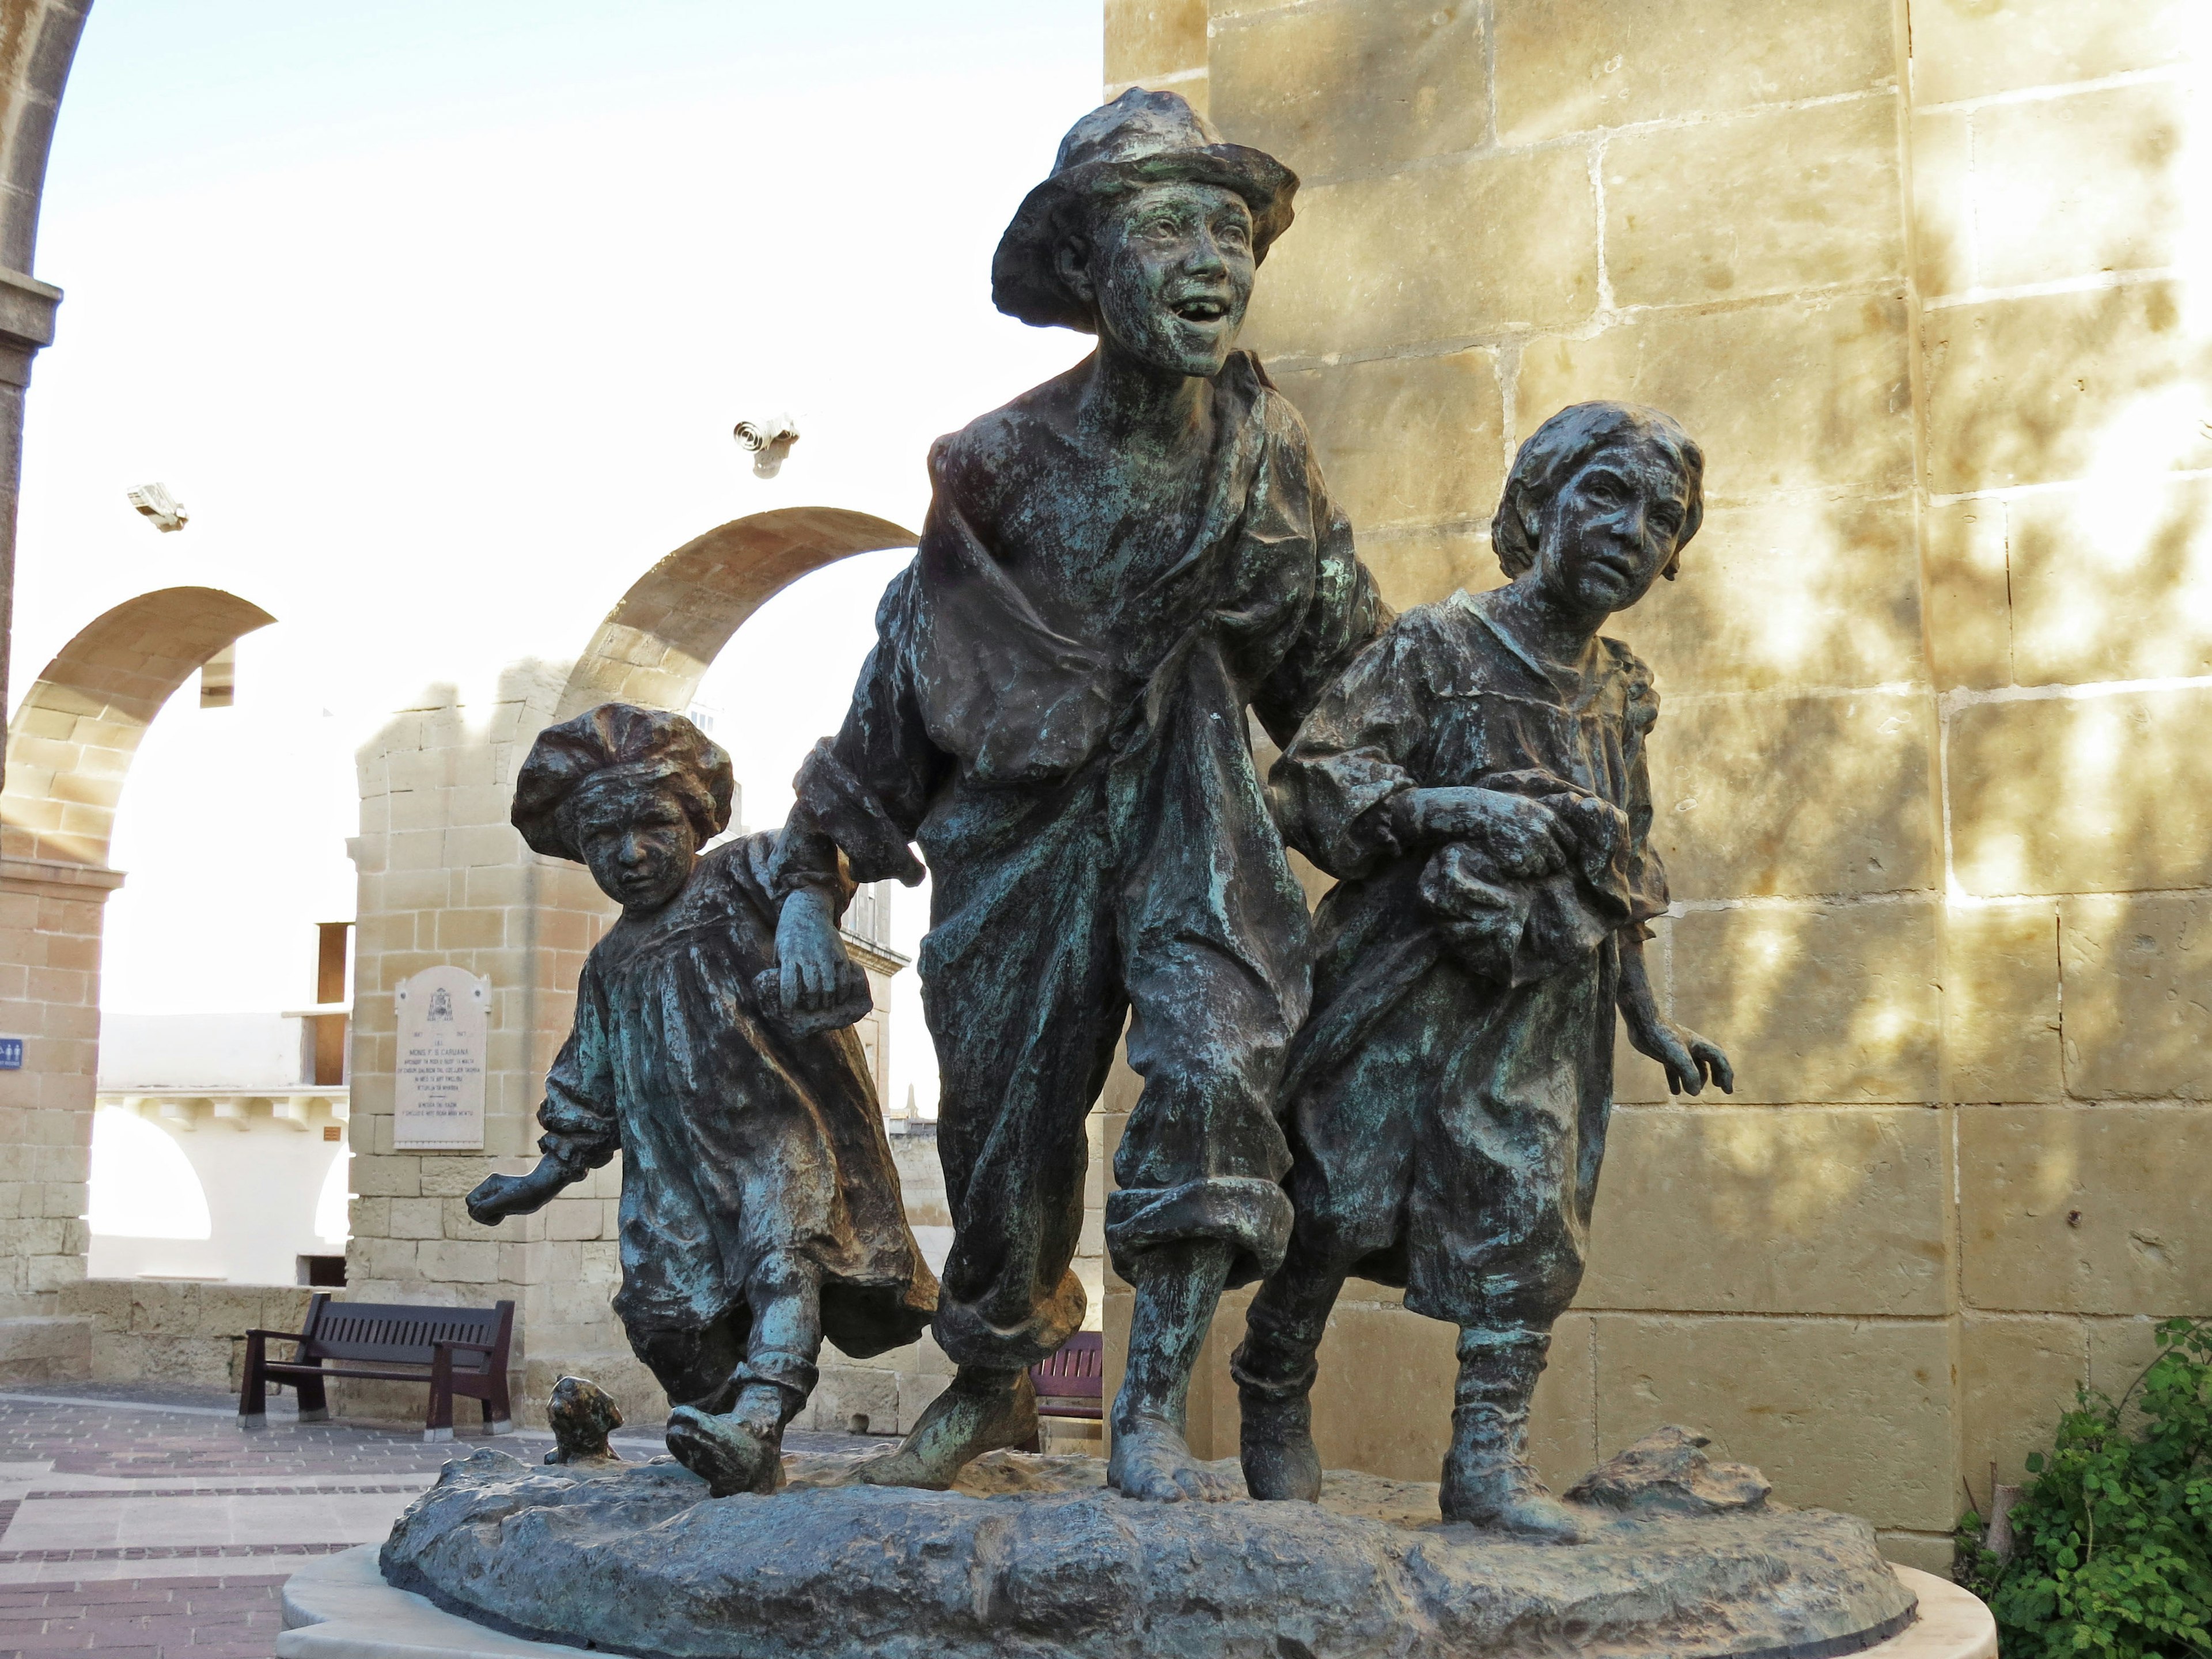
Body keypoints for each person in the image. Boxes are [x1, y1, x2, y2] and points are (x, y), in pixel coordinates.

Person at [770, 88, 1388, 1502]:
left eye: (1231, 228)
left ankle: (1152, 1408)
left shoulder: (1265, 450)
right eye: (1168, 225)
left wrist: (1444, 772)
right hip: (1020, 834)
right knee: (1006, 1137)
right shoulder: (998, 466)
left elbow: (1338, 654)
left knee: (1224, 1068)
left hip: (1195, 806)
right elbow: (911, 665)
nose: (1211, 259)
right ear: (1086, 266)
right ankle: (991, 1383)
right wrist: (815, 878)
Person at [1232, 402, 1734, 1541]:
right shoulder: (1437, 648)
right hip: (1402, 982)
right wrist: (1455, 807)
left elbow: (1622, 866)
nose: (1631, 531)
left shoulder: (1621, 691)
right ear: (1535, 504)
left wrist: (1653, 1020)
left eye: (1662, 518)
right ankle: (1273, 1381)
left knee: (1530, 1225)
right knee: (1339, 1200)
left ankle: (1488, 1467)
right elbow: (1310, 784)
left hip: (1547, 1005)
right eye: (1605, 494)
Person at [465, 703, 937, 1498]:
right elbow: (589, 1088)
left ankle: (757, 1418)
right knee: (662, 1319)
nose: (632, 853)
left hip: (779, 1138)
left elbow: (812, 853)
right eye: (602, 840)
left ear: (695, 816)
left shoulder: (743, 875)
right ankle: (727, 1439)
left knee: (786, 1258)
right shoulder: (610, 965)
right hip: (670, 1176)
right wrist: (535, 1181)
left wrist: (807, 917)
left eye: (652, 823)